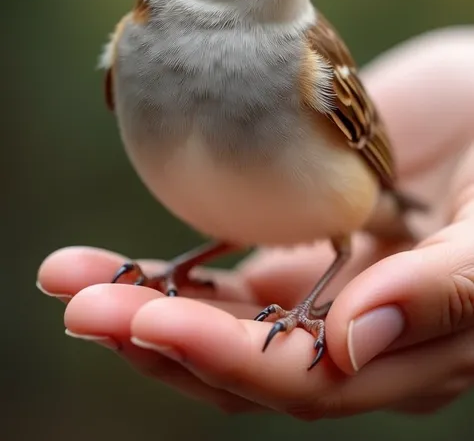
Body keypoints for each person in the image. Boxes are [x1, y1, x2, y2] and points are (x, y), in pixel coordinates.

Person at [37, 27, 474, 419]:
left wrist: (304, 313)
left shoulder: (308, 52)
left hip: (366, 197)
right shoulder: (127, 47)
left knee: (341, 246)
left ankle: (307, 310)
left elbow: (365, 135)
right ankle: (179, 270)